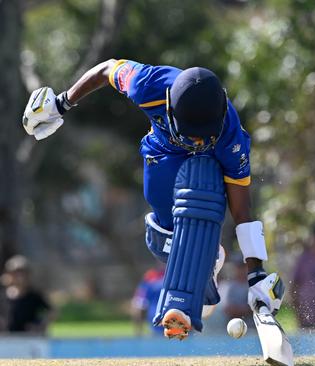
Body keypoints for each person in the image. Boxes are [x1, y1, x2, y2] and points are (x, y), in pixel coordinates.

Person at [21, 59, 285, 341]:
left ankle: (196, 278)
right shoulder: (147, 84)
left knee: (203, 178)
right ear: (170, 107)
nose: (198, 141)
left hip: (211, 163)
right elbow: (106, 70)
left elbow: (242, 210)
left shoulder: (231, 138)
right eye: (192, 134)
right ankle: (209, 260)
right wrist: (62, 102)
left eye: (205, 133)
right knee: (160, 238)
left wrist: (255, 272)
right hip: (162, 152)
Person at [1, 255, 53, 334]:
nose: (19, 277)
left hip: (29, 338)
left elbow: (51, 311)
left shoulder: (34, 295)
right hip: (7, 339)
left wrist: (41, 325)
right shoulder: (3, 295)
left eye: (22, 273)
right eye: (15, 273)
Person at [131, 262, 165, 336]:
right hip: (156, 321)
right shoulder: (150, 276)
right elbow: (139, 303)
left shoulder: (177, 274)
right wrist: (138, 331)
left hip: (177, 321)